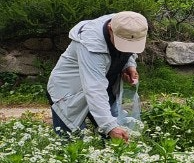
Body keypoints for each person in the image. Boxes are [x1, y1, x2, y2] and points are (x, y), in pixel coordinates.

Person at [46, 11, 148, 141]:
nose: (126, 49)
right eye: (123, 44)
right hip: (70, 94)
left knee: (118, 140)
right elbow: (94, 88)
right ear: (111, 29)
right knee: (71, 143)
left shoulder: (131, 25)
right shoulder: (90, 45)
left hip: (104, 91)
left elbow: (129, 51)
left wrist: (129, 65)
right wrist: (110, 127)